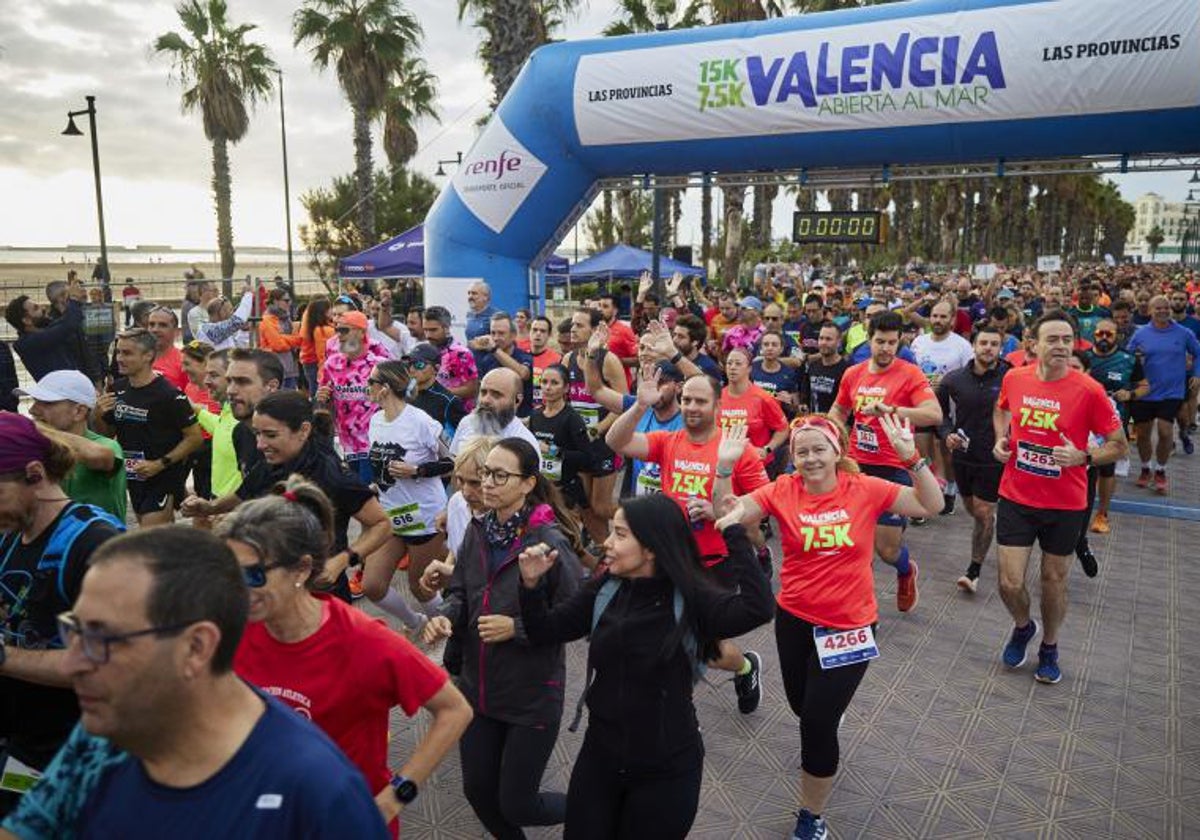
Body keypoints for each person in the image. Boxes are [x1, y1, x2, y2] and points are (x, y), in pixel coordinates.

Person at [20, 526, 392, 837]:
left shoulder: (315, 789)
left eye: (103, 639)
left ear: (197, 647)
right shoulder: (98, 741)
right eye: (75, 630)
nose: (70, 664)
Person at [716, 413, 941, 840]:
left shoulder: (866, 488)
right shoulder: (783, 489)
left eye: (820, 449)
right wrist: (725, 470)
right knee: (803, 708)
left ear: (838, 452)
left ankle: (810, 815)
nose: (811, 458)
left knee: (815, 725)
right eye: (802, 451)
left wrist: (913, 459)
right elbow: (726, 515)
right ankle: (823, 721)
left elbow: (933, 505)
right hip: (795, 620)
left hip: (850, 625)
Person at [220, 481, 472, 834]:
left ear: (302, 569)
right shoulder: (232, 631)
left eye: (254, 574)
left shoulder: (364, 641)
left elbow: (455, 710)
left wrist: (396, 795)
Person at [517, 492, 774, 839]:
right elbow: (545, 631)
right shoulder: (605, 589)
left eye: (620, 534)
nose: (606, 543)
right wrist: (531, 585)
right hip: (601, 756)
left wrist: (732, 531)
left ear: (652, 547)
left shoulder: (691, 597)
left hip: (667, 768)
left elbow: (758, 608)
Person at [422, 438, 584, 840]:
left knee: (518, 803)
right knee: (477, 791)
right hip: (477, 688)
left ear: (528, 484)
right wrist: (445, 618)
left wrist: (518, 628)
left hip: (530, 694)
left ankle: (597, 806)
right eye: (486, 474)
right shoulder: (479, 529)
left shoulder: (550, 543)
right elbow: (462, 591)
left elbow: (576, 617)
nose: (487, 483)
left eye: (499, 475)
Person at [606, 370, 769, 715]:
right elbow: (616, 442)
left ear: (718, 405)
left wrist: (716, 512)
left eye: (700, 401)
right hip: (668, 559)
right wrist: (639, 406)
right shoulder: (669, 440)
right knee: (673, 637)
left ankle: (745, 667)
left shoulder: (738, 450)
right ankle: (677, 712)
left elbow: (761, 510)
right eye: (686, 400)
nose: (691, 407)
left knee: (703, 646)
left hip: (715, 562)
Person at [992, 310, 1128, 684]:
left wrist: (1084, 457)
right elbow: (1002, 409)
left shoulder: (1088, 390)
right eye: (1053, 339)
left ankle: (1049, 647)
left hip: (1065, 503)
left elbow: (1119, 446)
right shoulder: (1015, 377)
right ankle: (1023, 627)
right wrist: (1001, 441)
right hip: (1017, 495)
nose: (1062, 346)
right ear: (1032, 344)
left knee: (1053, 580)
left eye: (1067, 340)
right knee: (1009, 583)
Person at [0, 415, 123, 816]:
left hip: (77, 755)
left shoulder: (96, 544)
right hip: (20, 748)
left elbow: (106, 665)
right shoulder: (10, 533)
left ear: (35, 474)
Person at [829, 310, 942, 613]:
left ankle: (906, 571)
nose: (886, 349)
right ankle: (854, 604)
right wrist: (831, 434)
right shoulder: (853, 374)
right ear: (869, 339)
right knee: (851, 539)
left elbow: (934, 414)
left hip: (894, 467)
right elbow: (839, 411)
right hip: (856, 464)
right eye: (880, 342)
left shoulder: (910, 373)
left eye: (892, 343)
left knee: (887, 549)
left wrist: (894, 410)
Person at [364, 361, 453, 630]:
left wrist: (417, 470)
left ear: (385, 388)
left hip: (425, 516)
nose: (366, 388)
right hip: (390, 516)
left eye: (371, 383)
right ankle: (414, 621)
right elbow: (380, 465)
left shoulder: (421, 422)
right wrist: (374, 485)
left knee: (421, 586)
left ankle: (452, 627)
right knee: (372, 585)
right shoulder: (375, 421)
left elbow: (453, 463)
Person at [93, 328, 203, 527]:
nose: (119, 358)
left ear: (148, 355)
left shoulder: (168, 394)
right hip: (134, 475)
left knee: (152, 537)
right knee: (154, 538)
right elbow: (107, 436)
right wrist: (99, 414)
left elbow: (195, 438)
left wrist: (159, 464)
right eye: (118, 352)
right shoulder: (117, 388)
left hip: (163, 476)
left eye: (127, 353)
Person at [936, 324, 1009, 593]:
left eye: (994, 344)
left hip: (993, 457)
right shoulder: (954, 379)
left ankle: (974, 570)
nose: (988, 348)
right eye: (984, 343)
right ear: (974, 346)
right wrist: (946, 435)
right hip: (963, 456)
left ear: (1000, 348)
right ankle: (988, 525)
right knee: (972, 510)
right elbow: (940, 414)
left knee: (982, 512)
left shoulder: (1011, 377)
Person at [22, 370, 127, 521]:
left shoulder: (105, 445)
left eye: (46, 403)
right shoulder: (39, 447)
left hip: (100, 542)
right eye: (34, 401)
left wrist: (31, 428)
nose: (32, 410)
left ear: (79, 411)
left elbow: (99, 456)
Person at [564, 309, 628, 545]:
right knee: (587, 507)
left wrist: (597, 429)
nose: (573, 329)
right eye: (572, 324)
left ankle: (640, 520)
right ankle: (605, 552)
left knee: (601, 506)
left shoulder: (608, 360)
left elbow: (624, 404)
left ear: (594, 331)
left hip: (603, 441)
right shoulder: (567, 359)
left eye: (579, 325)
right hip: (580, 443)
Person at [1128, 295, 1200, 494]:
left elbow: (1198, 352)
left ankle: (1160, 470)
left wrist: (1196, 373)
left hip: (1172, 391)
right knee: (1142, 435)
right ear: (1150, 311)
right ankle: (1145, 469)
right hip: (1145, 391)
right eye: (1158, 308)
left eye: (1166, 307)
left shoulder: (1183, 333)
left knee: (1166, 431)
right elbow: (1128, 357)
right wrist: (1135, 362)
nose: (1163, 311)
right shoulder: (1140, 333)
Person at [1083, 319, 1146, 537]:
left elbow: (1145, 385)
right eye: (1100, 334)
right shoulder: (1082, 357)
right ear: (1094, 334)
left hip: (1111, 424)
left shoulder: (1128, 360)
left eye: (1109, 335)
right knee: (1078, 465)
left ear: (1117, 336)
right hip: (1082, 421)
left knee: (1106, 469)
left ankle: (1102, 513)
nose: (1103, 338)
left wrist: (1130, 394)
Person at [911, 300, 974, 514]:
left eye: (943, 317)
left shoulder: (962, 346)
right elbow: (911, 370)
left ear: (952, 319)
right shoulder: (919, 342)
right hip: (922, 405)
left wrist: (947, 382)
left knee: (945, 452)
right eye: (934, 316)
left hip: (949, 408)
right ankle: (929, 489)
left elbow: (970, 376)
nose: (937, 320)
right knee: (920, 449)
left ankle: (950, 490)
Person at [317, 311, 389, 483]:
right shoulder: (332, 364)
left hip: (375, 442)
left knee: (369, 493)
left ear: (362, 332)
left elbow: (404, 396)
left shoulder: (379, 364)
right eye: (337, 330)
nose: (339, 335)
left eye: (344, 330)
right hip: (346, 444)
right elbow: (324, 403)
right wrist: (323, 398)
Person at [529, 364, 593, 510]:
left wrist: (553, 451)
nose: (547, 387)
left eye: (554, 383)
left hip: (565, 491)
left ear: (566, 388)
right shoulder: (535, 416)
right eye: (544, 382)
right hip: (540, 490)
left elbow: (587, 458)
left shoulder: (572, 418)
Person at [719, 346, 789, 467]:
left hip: (756, 464)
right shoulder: (717, 397)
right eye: (729, 363)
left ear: (749, 369)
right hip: (725, 464)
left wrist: (767, 449)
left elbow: (783, 429)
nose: (732, 367)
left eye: (738, 364)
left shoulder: (763, 398)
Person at [450, 368, 540, 456]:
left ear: (517, 401)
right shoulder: (467, 423)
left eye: (496, 394)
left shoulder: (525, 445)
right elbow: (454, 463)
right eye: (483, 392)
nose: (486, 400)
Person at [5, 294, 87, 381]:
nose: (43, 308)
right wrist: (74, 298)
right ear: (26, 320)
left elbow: (64, 323)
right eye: (36, 308)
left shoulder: (45, 330)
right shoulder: (27, 343)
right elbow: (69, 324)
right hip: (59, 393)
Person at [471, 313, 534, 417]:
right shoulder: (487, 360)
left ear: (513, 335)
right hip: (494, 418)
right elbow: (480, 391)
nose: (496, 338)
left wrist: (494, 349)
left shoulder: (524, 357)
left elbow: (523, 374)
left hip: (520, 418)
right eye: (493, 333)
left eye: (501, 333)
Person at [181, 340, 219, 502]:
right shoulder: (190, 387)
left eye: (187, 364)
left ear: (205, 363)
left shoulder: (221, 393)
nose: (183, 369)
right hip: (196, 452)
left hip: (214, 454)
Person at [405, 342, 467, 440]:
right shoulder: (403, 395)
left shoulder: (448, 401)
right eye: (409, 364)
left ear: (436, 369)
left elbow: (465, 437)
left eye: (419, 364)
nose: (412, 369)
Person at [423, 306, 479, 407]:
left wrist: (436, 392)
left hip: (456, 414)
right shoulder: (425, 350)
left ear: (446, 328)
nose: (428, 335)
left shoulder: (461, 354)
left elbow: (472, 389)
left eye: (433, 330)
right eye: (425, 330)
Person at [259, 288, 303, 390]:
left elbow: (299, 340)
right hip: (275, 369)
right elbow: (278, 345)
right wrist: (291, 340)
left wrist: (283, 337)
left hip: (289, 368)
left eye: (290, 300)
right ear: (275, 301)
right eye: (286, 301)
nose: (289, 303)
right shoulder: (267, 319)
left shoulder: (285, 318)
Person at [751, 330, 802, 420]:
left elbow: (796, 408)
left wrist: (789, 401)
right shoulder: (751, 368)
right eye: (766, 344)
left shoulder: (789, 373)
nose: (770, 348)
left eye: (774, 345)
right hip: (755, 420)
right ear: (761, 348)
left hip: (779, 422)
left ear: (781, 349)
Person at [801, 323, 850, 415]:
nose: (823, 342)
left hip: (836, 425)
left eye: (828, 339)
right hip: (814, 424)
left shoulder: (847, 370)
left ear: (839, 342)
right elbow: (806, 397)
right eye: (821, 338)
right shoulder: (812, 366)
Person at [146, 306, 188, 391]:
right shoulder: (137, 358)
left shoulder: (185, 361)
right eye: (151, 324)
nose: (155, 329)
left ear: (176, 331)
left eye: (163, 325)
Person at [299, 296, 335, 395]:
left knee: (314, 388)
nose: (332, 310)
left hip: (310, 359)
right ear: (323, 311)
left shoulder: (312, 320)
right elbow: (323, 353)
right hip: (314, 361)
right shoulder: (323, 330)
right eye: (329, 308)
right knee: (316, 391)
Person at [527, 316, 562, 411]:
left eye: (542, 331)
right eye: (534, 330)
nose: (538, 334)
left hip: (546, 412)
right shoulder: (521, 357)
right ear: (529, 332)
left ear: (549, 334)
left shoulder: (557, 359)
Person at [465, 282, 499, 347]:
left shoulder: (496, 316)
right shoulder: (469, 314)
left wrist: (481, 343)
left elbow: (502, 341)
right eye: (469, 293)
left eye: (474, 293)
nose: (470, 296)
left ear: (485, 297)